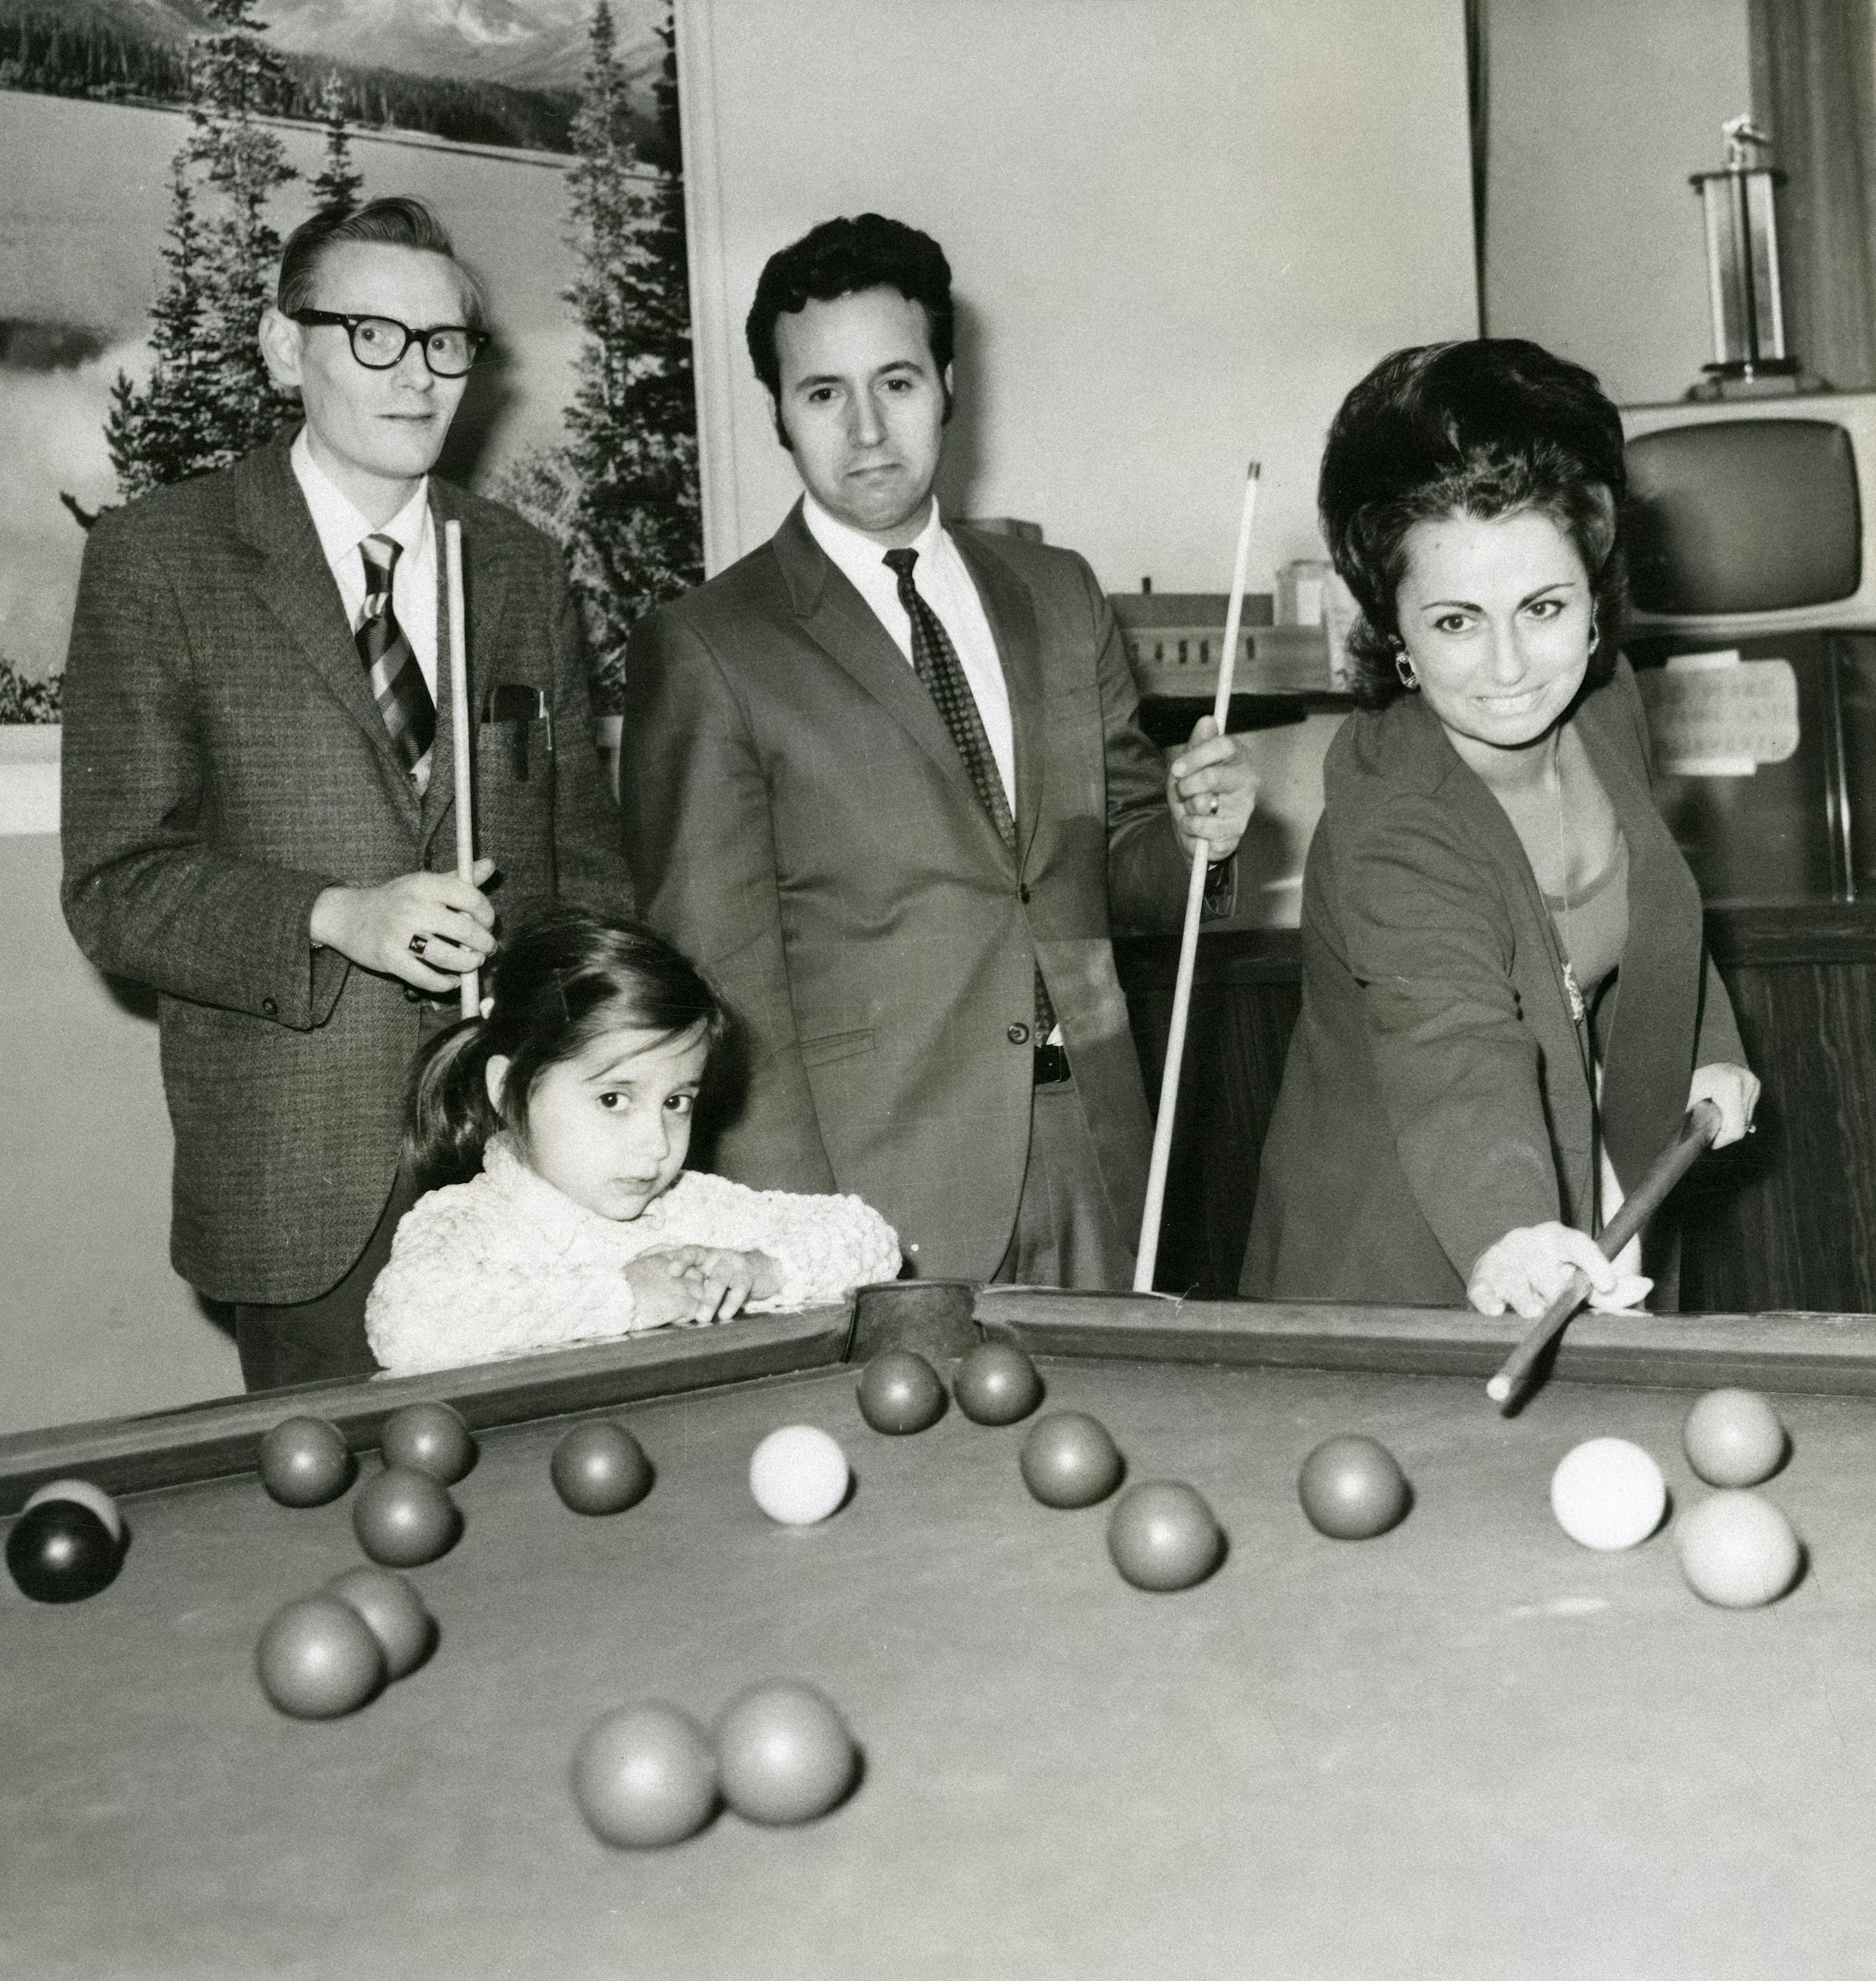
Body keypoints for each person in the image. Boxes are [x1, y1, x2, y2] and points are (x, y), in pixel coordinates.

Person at [620, 213, 1257, 1288]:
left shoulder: (1060, 596)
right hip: (875, 1200)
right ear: (777, 412)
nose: (868, 429)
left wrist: (1201, 837)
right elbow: (718, 989)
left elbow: (1122, 862)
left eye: (897, 382)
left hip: (1099, 1156)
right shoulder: (710, 647)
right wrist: (797, 1247)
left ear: (949, 386)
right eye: (824, 393)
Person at [60, 196, 631, 1390]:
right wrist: (336, 916)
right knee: (339, 1498)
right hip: (303, 1180)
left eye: (445, 343)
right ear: (286, 347)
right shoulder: (160, 559)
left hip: (519, 1166)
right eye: (373, 335)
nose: (416, 374)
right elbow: (118, 887)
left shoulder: (520, 568)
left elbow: (586, 868)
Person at [1241, 339, 1758, 1319]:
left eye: (1543, 607)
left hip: (1578, 1213)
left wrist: (1706, 1040)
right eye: (1455, 621)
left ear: (1594, 594)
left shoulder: (1605, 702)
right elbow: (1454, 1045)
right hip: (1393, 1281)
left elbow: (1653, 914)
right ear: (1393, 628)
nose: (1511, 667)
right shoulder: (1394, 818)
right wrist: (1512, 1231)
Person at [364, 908, 901, 1375]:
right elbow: (406, 1325)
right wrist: (627, 1295)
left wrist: (760, 1269)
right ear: (508, 1090)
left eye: (676, 1102)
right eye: (614, 1099)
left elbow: (871, 1241)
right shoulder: (468, 1222)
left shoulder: (690, 1206)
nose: (657, 1145)